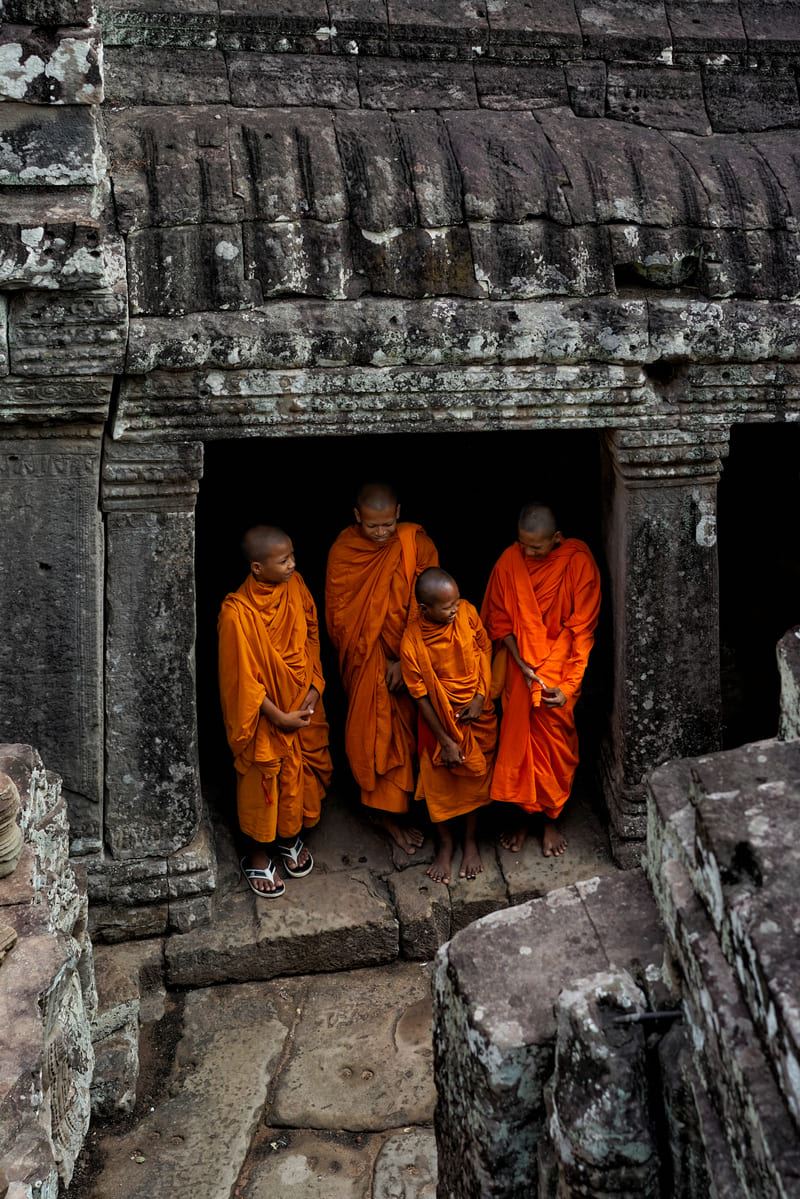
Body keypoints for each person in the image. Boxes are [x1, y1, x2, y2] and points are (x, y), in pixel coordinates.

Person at [218, 525, 332, 896]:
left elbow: (311, 634)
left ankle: (289, 835)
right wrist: (279, 717)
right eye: (283, 560)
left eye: (292, 556)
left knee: (297, 775)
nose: (292, 564)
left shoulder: (295, 586)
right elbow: (242, 682)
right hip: (266, 717)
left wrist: (314, 685)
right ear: (257, 567)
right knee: (262, 781)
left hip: (302, 703)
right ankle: (256, 854)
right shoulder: (236, 614)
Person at [481, 503, 600, 857]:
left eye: (536, 547)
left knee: (556, 746)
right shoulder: (509, 561)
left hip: (561, 667)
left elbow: (582, 630)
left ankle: (551, 819)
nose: (529, 553)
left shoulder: (578, 563)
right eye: (524, 545)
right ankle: (522, 817)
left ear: (557, 539)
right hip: (520, 665)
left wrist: (569, 686)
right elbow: (499, 621)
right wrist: (521, 663)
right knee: (518, 742)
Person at [325, 483, 439, 854]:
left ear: (399, 513)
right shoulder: (345, 550)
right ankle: (384, 816)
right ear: (357, 517)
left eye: (387, 524)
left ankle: (413, 808)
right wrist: (378, 659)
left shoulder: (416, 544)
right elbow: (341, 619)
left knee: (412, 734)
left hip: (410, 656)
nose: (380, 532)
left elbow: (432, 604)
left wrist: (405, 661)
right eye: (372, 525)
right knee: (374, 732)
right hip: (367, 659)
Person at [401, 568, 496, 885]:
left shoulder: (467, 612)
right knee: (438, 787)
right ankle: (445, 844)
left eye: (456, 601)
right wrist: (445, 740)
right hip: (438, 726)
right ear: (424, 609)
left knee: (474, 782)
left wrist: (481, 696)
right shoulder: (412, 641)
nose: (455, 609)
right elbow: (419, 696)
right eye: (447, 606)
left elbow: (485, 648)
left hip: (475, 716)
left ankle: (470, 842)